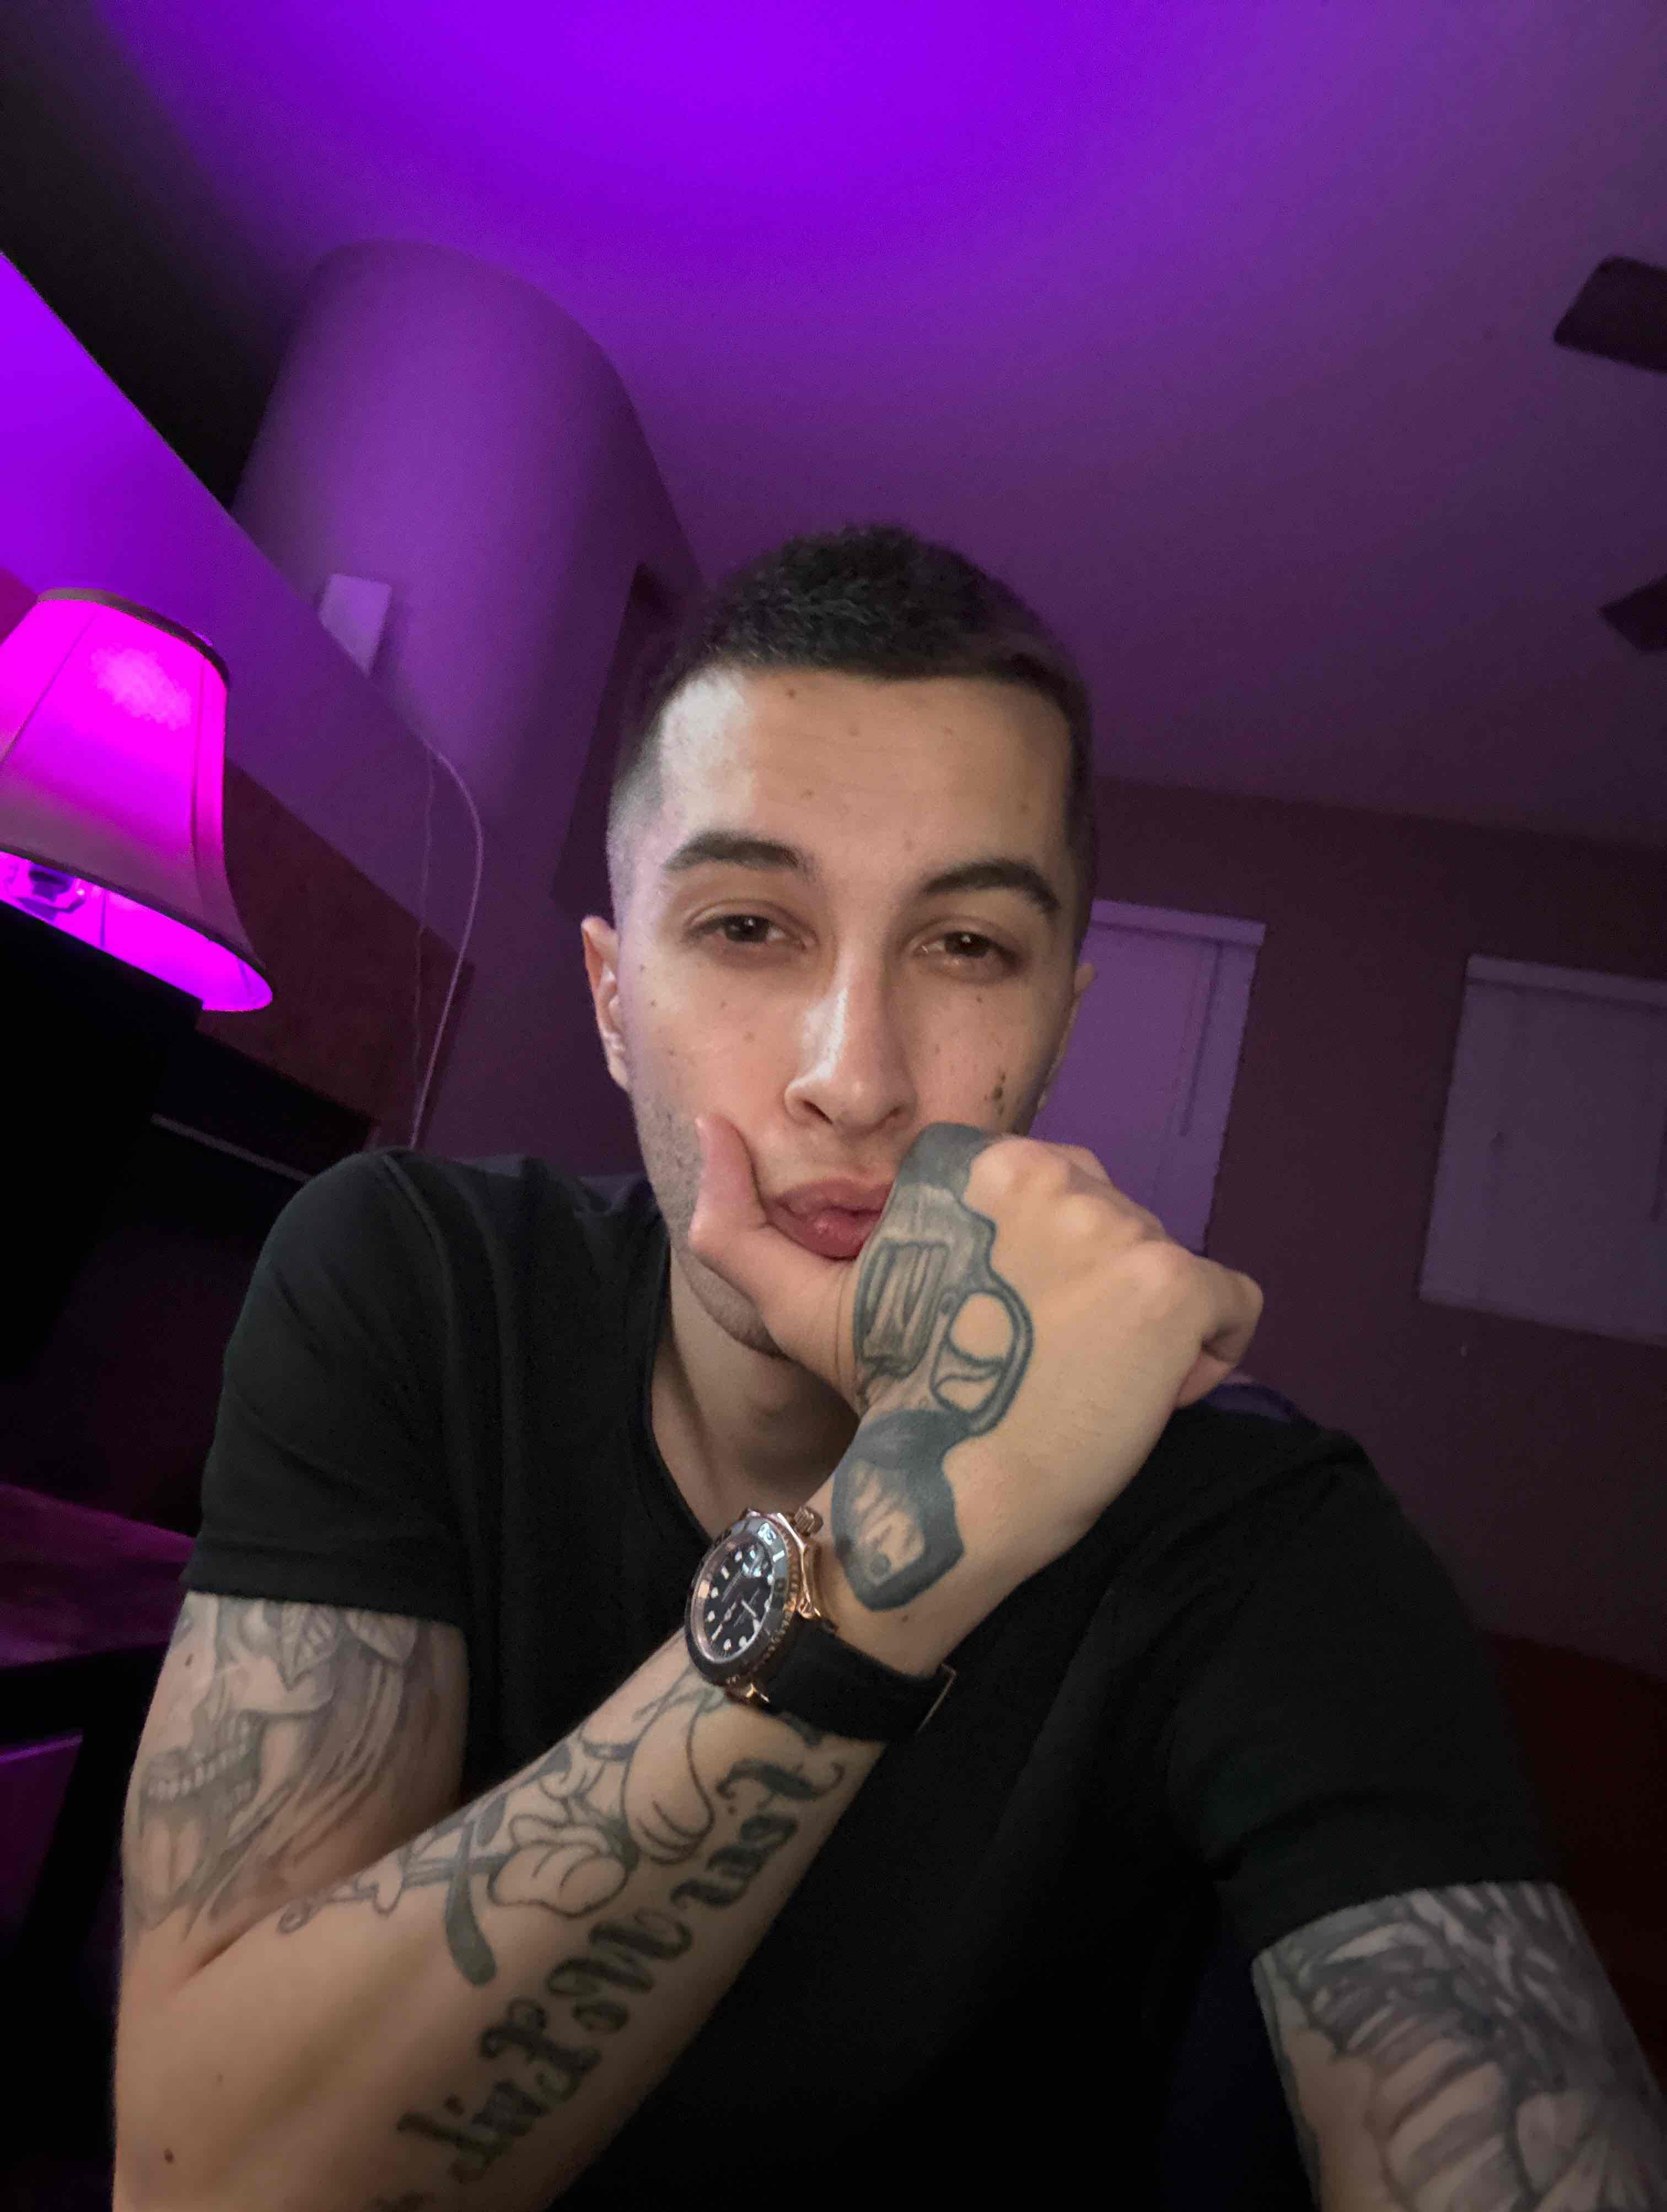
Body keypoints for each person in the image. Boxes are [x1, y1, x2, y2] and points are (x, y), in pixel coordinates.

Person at [114, 525, 1664, 2211]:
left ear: (1059, 1021)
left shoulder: (1268, 1538)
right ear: (615, 999)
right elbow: (198, 2184)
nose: (856, 1078)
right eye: (748, 923)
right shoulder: (410, 1282)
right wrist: (923, 1521)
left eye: (969, 946)